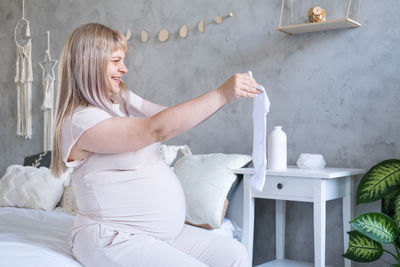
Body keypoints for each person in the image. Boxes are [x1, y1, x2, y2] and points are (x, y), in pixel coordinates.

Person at [51, 23, 261, 267]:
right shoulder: (80, 120)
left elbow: (170, 117)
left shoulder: (121, 99)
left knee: (235, 254)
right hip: (114, 238)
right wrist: (221, 93)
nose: (124, 68)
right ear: (91, 63)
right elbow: (156, 129)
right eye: (116, 60)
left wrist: (227, 97)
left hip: (161, 234)